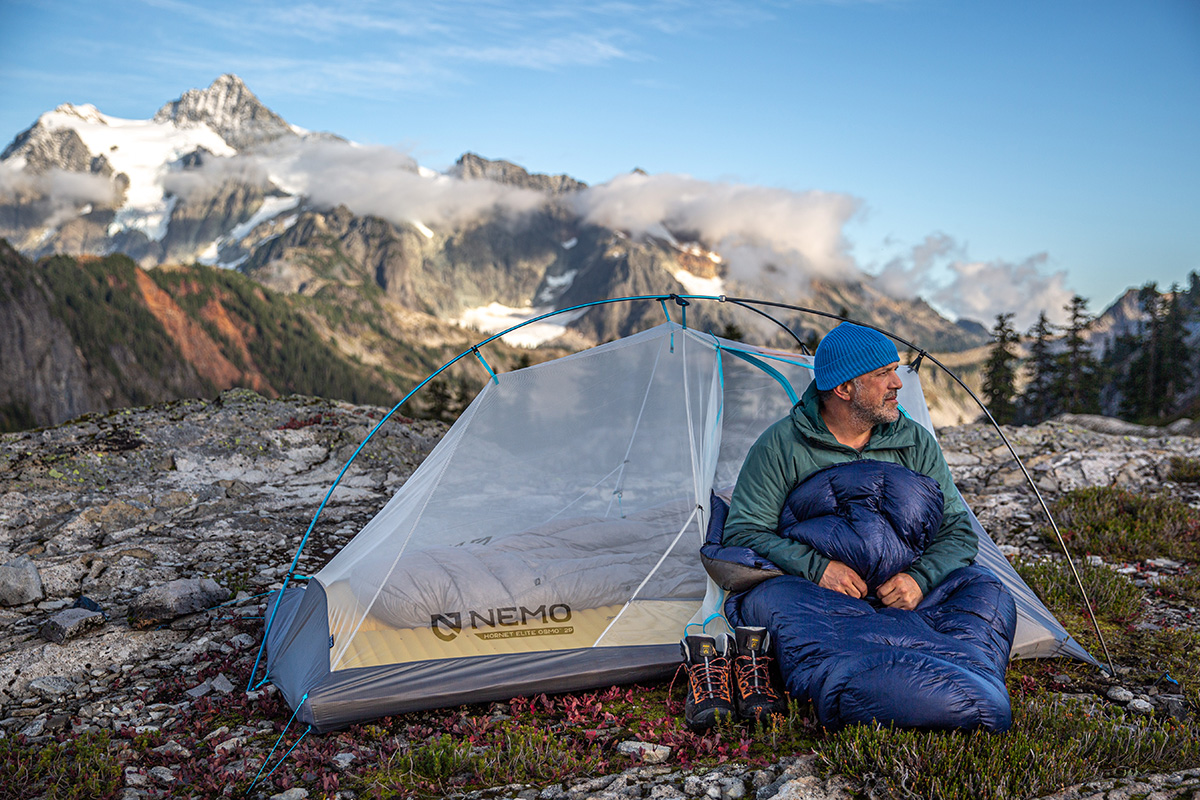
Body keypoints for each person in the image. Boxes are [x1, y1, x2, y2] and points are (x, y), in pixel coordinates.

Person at [722, 322, 978, 608]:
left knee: (983, 590)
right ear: (844, 388)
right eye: (883, 373)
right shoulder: (781, 444)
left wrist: (920, 579)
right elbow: (744, 532)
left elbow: (956, 529)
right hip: (819, 594)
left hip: (902, 590)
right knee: (779, 605)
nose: (898, 382)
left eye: (895, 369)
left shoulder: (914, 441)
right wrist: (818, 569)